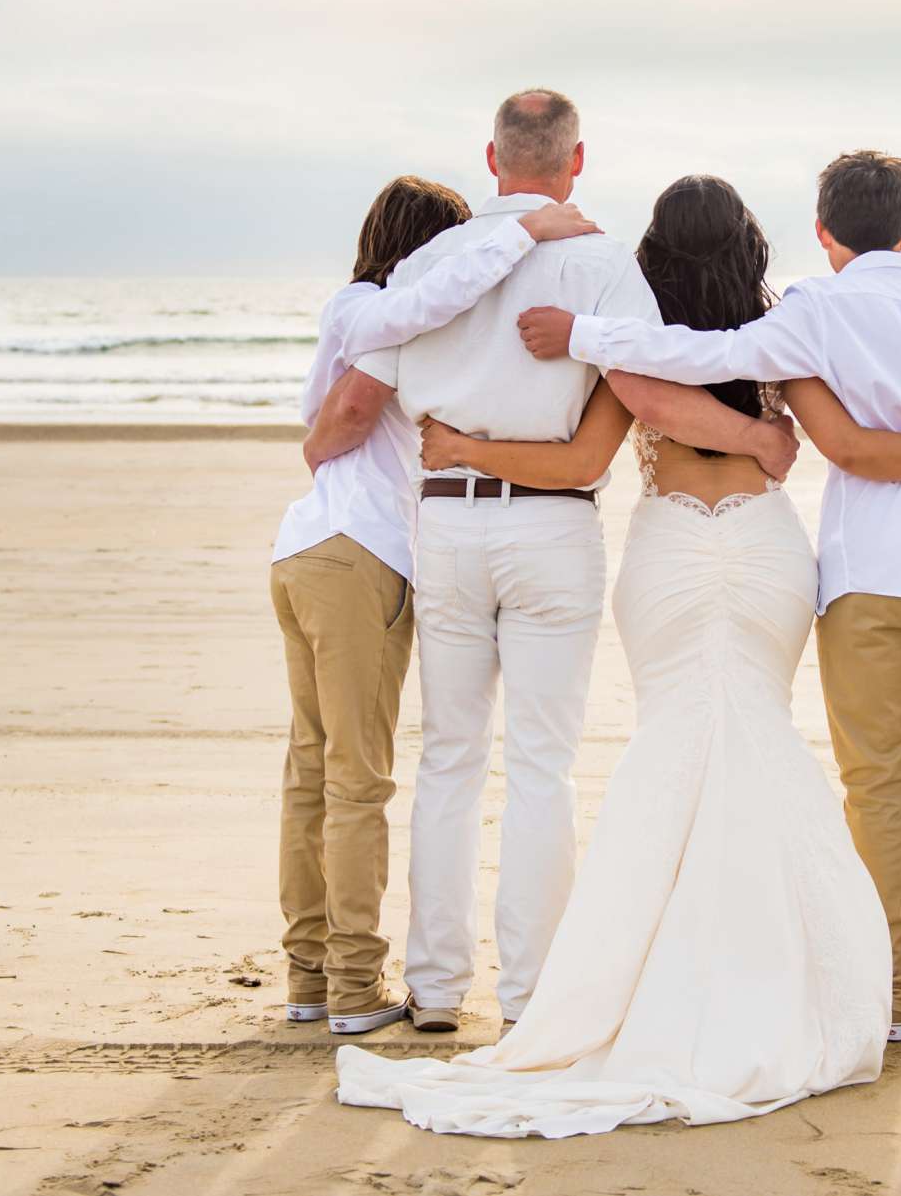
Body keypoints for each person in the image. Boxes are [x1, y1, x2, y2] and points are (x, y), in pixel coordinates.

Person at [334, 173, 901, 1137]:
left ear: (655, 258)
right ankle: (813, 971)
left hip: (673, 550)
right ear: (751, 251)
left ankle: (624, 973)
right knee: (757, 733)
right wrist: (777, 439)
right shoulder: (782, 334)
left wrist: (465, 442)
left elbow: (592, 454)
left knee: (676, 741)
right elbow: (827, 437)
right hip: (766, 551)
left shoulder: (629, 338)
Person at [515, 150, 901, 1047]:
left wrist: (580, 333)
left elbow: (681, 370)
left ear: (827, 231)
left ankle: (888, 993)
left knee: (867, 784)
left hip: (835, 571)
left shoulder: (799, 317)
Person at [303, 92, 796, 1033]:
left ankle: (438, 991)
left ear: (493, 158)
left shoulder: (430, 263)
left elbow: (364, 384)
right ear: (576, 162)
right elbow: (643, 387)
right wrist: (757, 434)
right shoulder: (604, 262)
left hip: (445, 524)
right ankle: (530, 997)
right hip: (553, 528)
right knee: (541, 765)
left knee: (448, 760)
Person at [271, 176, 599, 1037]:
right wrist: (523, 230)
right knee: (357, 777)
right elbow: (348, 409)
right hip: (359, 552)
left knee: (315, 769)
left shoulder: (373, 309)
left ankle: (311, 975)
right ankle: (347, 985)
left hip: (311, 547)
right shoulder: (380, 309)